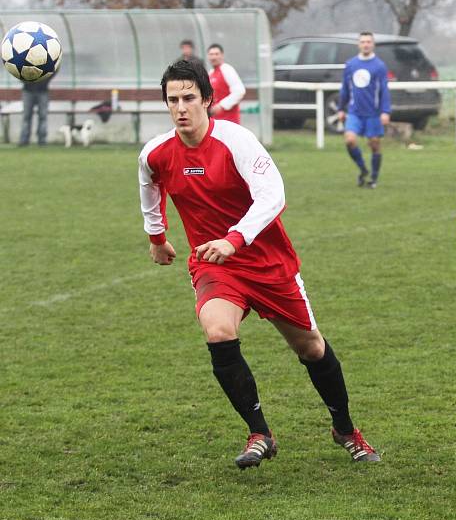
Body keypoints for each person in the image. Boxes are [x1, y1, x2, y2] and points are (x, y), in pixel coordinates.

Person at [138, 59, 380, 469]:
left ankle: (344, 428)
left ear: (208, 100)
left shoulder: (236, 140)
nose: (181, 108)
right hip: (215, 266)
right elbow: (149, 188)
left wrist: (234, 239)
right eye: (173, 100)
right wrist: (157, 238)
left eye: (189, 98)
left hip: (267, 263)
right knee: (217, 331)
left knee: (311, 347)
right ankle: (260, 433)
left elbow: (272, 194)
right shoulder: (156, 153)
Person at [337, 31, 392, 189]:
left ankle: (373, 178)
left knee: (374, 144)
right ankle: (363, 169)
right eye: (363, 42)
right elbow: (345, 89)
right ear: (358, 44)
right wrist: (341, 108)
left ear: (373, 44)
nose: (366, 44)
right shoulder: (351, 65)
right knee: (350, 140)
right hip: (354, 112)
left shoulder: (379, 66)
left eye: (368, 42)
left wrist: (385, 111)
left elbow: (384, 90)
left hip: (373, 113)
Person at [207, 43, 245, 124]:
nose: (213, 57)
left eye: (216, 54)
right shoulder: (211, 73)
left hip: (229, 120)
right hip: (216, 120)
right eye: (211, 54)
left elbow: (239, 91)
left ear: (222, 55)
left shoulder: (227, 70)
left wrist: (221, 106)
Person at [19, 76, 51, 147]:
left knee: (43, 117)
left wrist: (45, 80)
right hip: (28, 90)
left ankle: (42, 141)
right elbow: (18, 69)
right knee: (26, 117)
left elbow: (55, 68)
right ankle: (24, 141)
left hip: (43, 90)